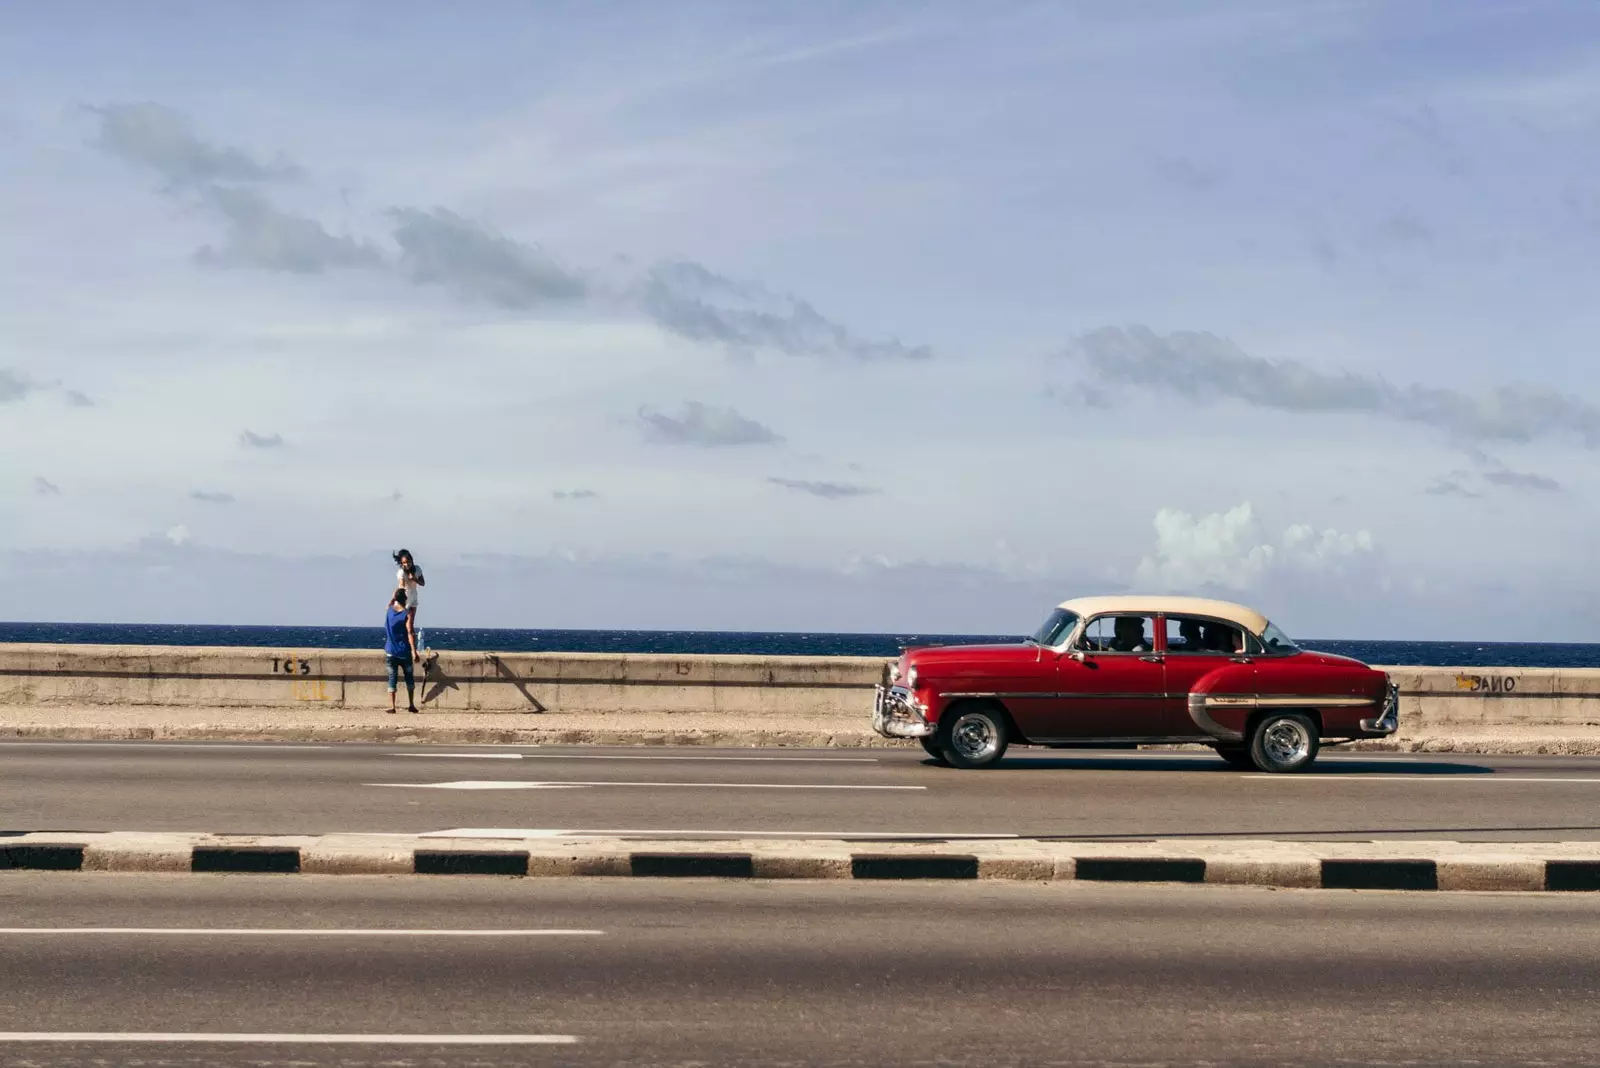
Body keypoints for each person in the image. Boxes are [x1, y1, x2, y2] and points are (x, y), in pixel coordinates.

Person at [384, 588, 419, 714]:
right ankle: (411, 704)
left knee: (392, 678)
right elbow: (410, 632)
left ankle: (392, 706)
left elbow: (389, 604)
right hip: (404, 651)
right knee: (409, 677)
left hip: (390, 651)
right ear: (404, 599)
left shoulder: (389, 610)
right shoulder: (406, 613)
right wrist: (414, 651)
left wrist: (393, 596)